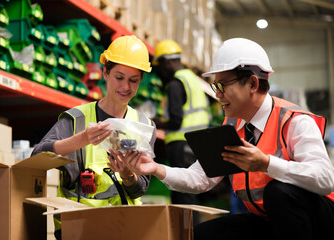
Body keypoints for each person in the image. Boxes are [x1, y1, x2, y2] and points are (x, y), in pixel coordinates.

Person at [121, 38, 334, 240]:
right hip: (271, 221)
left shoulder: (294, 122)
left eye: (222, 85)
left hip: (317, 223)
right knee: (205, 234)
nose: (218, 94)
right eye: (216, 86)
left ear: (252, 83)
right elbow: (200, 178)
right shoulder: (232, 127)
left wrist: (267, 164)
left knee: (279, 192)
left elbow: (326, 179)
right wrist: (155, 168)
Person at [31, 35, 156, 240]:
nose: (126, 86)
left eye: (133, 80)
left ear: (141, 81)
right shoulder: (76, 119)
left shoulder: (144, 126)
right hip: (77, 227)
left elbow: (139, 189)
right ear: (105, 73)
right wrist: (82, 139)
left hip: (124, 227)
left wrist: (127, 175)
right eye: (119, 77)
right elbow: (38, 156)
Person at [151, 40, 210, 221]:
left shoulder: (176, 84)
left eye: (160, 67)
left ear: (167, 63)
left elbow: (176, 121)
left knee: (183, 196)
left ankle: (188, 234)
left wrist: (154, 122)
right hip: (195, 143)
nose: (160, 72)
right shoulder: (192, 79)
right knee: (190, 194)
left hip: (181, 143)